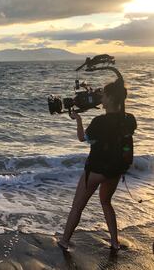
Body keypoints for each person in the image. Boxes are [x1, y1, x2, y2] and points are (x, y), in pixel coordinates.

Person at [58, 79, 137, 251]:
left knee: (77, 207)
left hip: (96, 170)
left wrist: (77, 119)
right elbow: (123, 134)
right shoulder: (129, 119)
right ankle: (115, 242)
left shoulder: (100, 121)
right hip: (115, 169)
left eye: (104, 95)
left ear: (110, 98)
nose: (101, 97)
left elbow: (83, 138)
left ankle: (64, 240)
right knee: (106, 202)